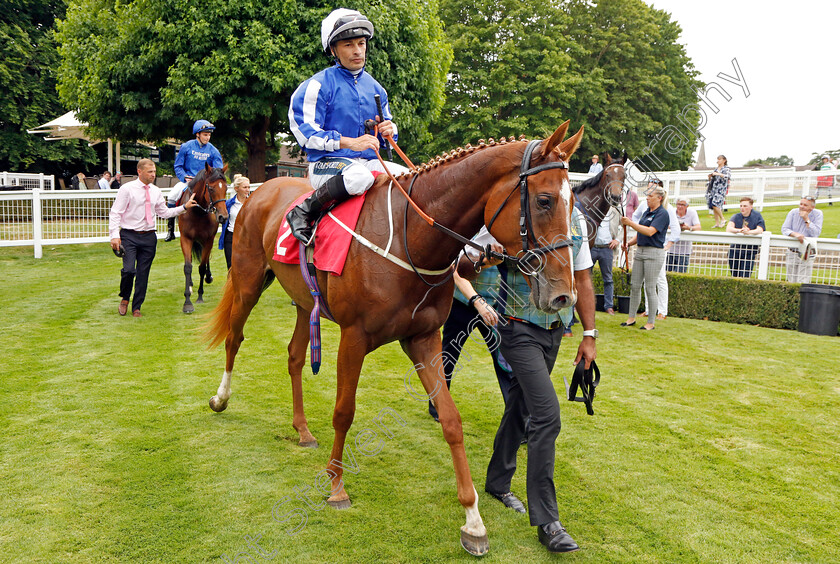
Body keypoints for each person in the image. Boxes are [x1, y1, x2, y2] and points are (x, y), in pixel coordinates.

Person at [485, 206, 597, 554]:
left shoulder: (576, 219)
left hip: (554, 331)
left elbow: (583, 278)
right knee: (546, 415)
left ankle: (496, 482)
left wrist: (590, 334)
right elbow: (465, 264)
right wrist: (487, 257)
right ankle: (548, 523)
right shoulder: (510, 213)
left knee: (520, 404)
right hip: (516, 327)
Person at [286, 8, 409, 244]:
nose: (357, 51)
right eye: (348, 45)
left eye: (361, 43)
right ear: (333, 50)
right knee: (359, 177)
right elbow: (306, 134)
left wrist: (389, 130)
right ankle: (303, 211)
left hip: (367, 161)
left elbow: (384, 131)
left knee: (408, 177)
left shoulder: (376, 88)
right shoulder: (316, 85)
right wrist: (350, 143)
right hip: (326, 164)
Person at [429, 228, 514, 422]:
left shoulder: (514, 231)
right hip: (463, 303)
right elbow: (457, 269)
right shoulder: (471, 229)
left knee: (505, 361)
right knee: (449, 355)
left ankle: (517, 420)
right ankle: (437, 405)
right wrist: (484, 261)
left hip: (496, 306)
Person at [109, 158, 197, 317]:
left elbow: (164, 213)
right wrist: (114, 236)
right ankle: (125, 297)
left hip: (149, 237)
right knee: (129, 270)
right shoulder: (127, 189)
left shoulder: (156, 191)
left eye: (154, 172)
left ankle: (137, 307)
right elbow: (116, 213)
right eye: (150, 172)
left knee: (143, 273)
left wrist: (184, 208)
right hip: (129, 235)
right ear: (139, 172)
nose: (153, 175)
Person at [619, 184, 670, 330]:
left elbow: (649, 232)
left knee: (650, 287)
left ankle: (651, 322)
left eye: (650, 196)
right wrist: (629, 243)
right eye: (647, 196)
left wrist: (630, 223)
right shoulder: (647, 212)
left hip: (654, 253)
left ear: (659, 198)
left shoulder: (662, 214)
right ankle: (631, 317)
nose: (647, 198)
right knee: (635, 286)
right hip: (640, 251)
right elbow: (640, 233)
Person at [165, 119, 225, 241]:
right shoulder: (186, 147)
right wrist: (184, 177)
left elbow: (218, 170)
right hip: (188, 181)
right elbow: (178, 166)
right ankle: (170, 230)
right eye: (205, 135)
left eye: (209, 135)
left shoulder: (213, 150)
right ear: (198, 134)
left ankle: (221, 220)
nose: (208, 138)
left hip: (206, 183)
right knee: (171, 196)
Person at [632, 181, 680, 320]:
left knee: (659, 279)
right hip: (644, 247)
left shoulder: (667, 209)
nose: (648, 193)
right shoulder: (644, 206)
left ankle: (662, 311)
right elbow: (635, 218)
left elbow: (676, 228)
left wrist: (668, 245)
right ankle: (648, 309)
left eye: (651, 189)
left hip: (658, 248)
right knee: (647, 281)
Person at [782, 196, 823, 283]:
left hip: (807, 252)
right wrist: (796, 234)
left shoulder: (818, 214)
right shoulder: (793, 212)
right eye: (801, 204)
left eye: (805, 205)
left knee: (803, 281)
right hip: (792, 251)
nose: (802, 206)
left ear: (812, 207)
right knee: (791, 281)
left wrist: (806, 219)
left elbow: (815, 234)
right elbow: (785, 229)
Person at [590, 207, 621, 314]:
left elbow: (626, 224)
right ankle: (582, 305)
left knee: (608, 279)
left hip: (607, 248)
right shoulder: (593, 207)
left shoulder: (614, 211)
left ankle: (608, 306)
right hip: (591, 247)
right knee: (585, 277)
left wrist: (617, 240)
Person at [726, 196, 765, 278]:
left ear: (751, 206)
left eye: (745, 206)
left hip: (749, 251)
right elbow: (729, 228)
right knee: (734, 275)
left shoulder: (757, 216)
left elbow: (760, 229)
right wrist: (739, 231)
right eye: (741, 206)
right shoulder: (736, 216)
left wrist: (749, 232)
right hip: (735, 250)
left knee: (745, 276)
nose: (742, 208)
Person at [219, 174, 251, 270]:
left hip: (248, 238)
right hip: (230, 237)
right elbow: (221, 219)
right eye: (244, 187)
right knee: (231, 267)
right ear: (237, 188)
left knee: (246, 266)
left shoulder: (252, 203)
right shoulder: (228, 204)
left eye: (248, 187)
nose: (247, 190)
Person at [667, 197, 701, 273]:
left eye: (682, 204)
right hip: (670, 248)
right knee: (667, 273)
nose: (680, 206)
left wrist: (688, 228)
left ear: (687, 206)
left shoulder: (692, 213)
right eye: (678, 204)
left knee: (680, 273)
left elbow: (698, 227)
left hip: (684, 250)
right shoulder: (671, 212)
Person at [706, 154, 731, 228]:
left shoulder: (726, 169)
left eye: (719, 159)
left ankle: (723, 219)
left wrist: (718, 174)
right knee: (713, 206)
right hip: (714, 189)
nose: (718, 161)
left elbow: (727, 176)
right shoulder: (716, 169)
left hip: (721, 189)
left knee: (715, 204)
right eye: (717, 159)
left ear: (724, 160)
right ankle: (717, 223)